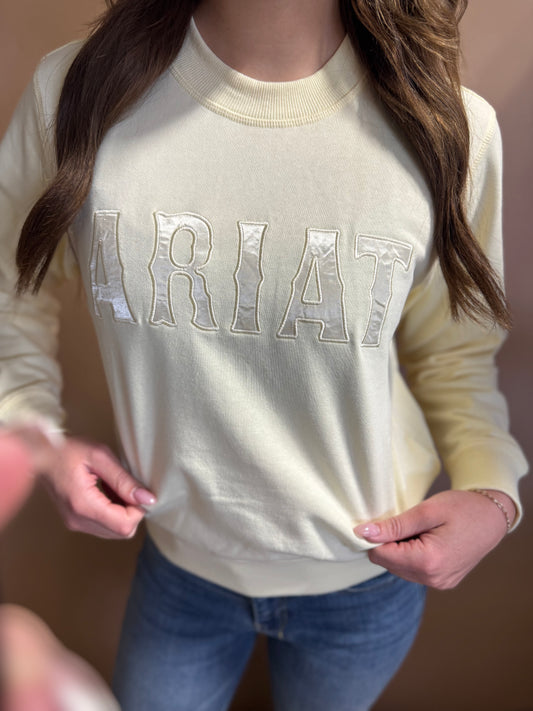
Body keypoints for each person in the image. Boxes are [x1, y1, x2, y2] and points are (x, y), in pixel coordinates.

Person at [0, 0, 528, 709]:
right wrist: (37, 438)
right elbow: (8, 290)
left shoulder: (449, 127)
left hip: (367, 577)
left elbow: (454, 354)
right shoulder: (73, 95)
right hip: (178, 567)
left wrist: (493, 494)